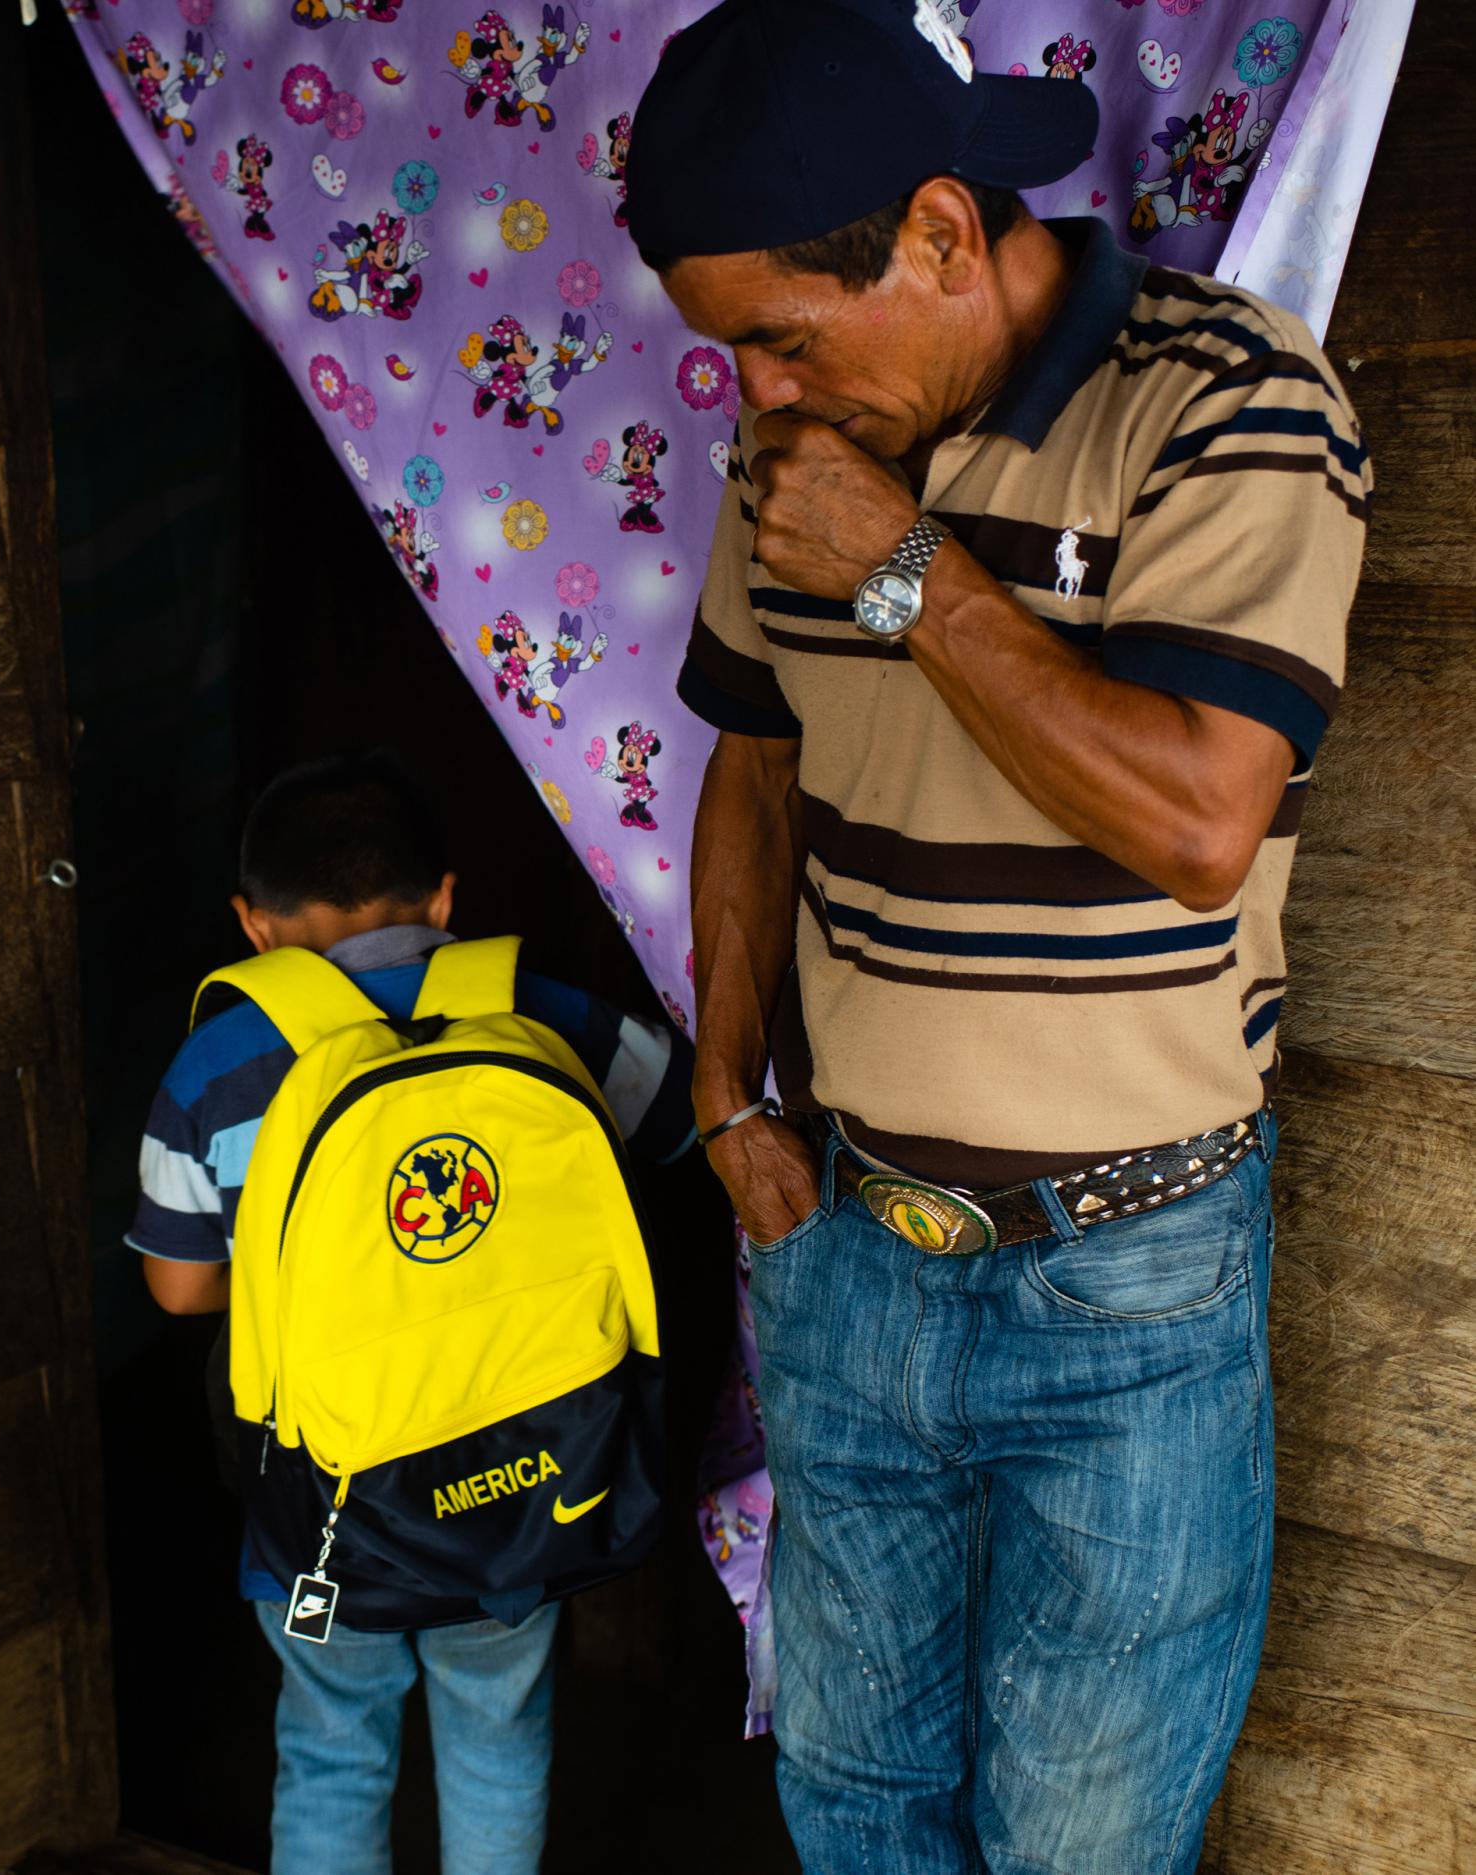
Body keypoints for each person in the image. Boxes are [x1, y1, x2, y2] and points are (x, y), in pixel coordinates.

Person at [624, 4, 1369, 1871]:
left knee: (1083, 1846)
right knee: (855, 1803)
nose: (760, 401)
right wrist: (726, 1088)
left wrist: (905, 571)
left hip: (1127, 1286)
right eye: (731, 358)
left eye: (784, 340)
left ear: (947, 233)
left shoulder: (1235, 405)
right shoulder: (799, 454)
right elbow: (757, 765)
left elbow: (1198, 816)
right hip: (848, 1249)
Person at [129, 751, 694, 1875]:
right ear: (443, 899)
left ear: (253, 925)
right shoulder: (544, 1011)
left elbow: (181, 1287)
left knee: (334, 1749)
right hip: (533, 1475)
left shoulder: (217, 1066)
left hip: (328, 1502)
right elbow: (679, 1124)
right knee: (498, 1739)